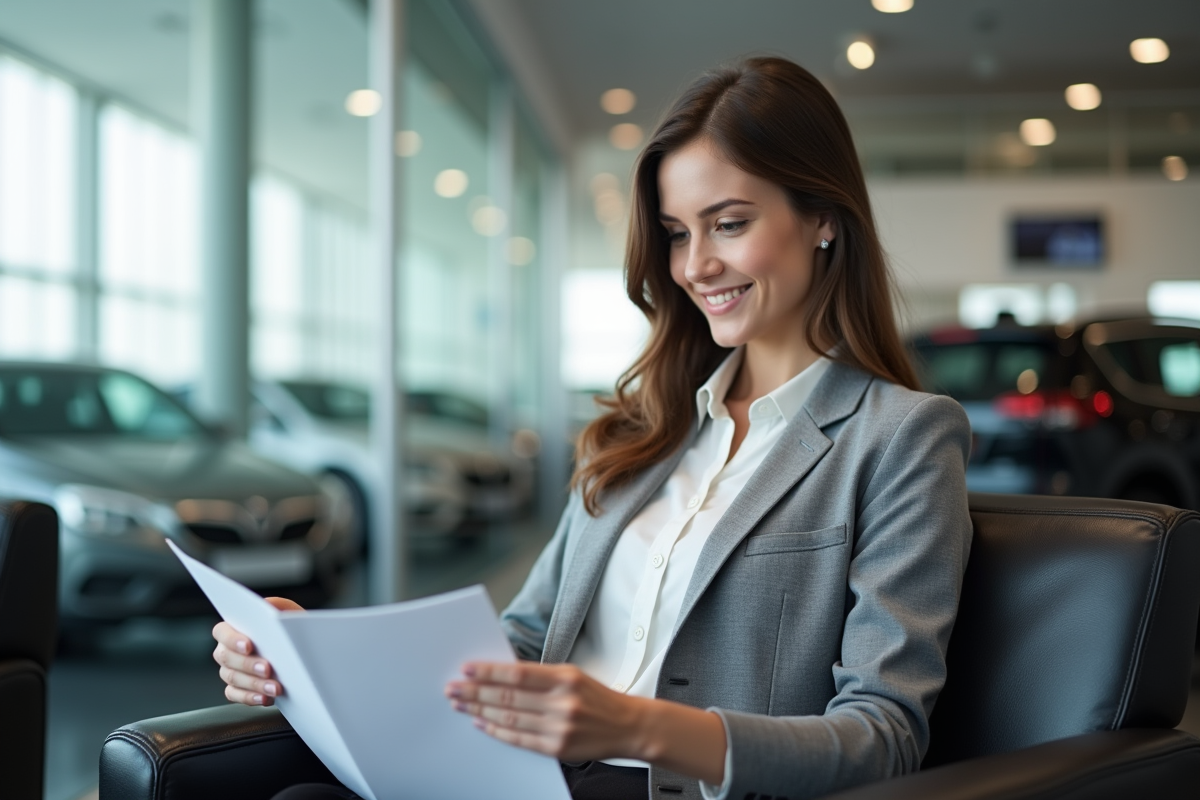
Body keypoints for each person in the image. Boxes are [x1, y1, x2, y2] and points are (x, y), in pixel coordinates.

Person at [212, 56, 971, 800]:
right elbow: (519, 646)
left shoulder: (901, 437)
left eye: (729, 224)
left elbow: (884, 737)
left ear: (824, 221)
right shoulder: (641, 431)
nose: (696, 265)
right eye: (676, 233)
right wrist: (316, 652)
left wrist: (637, 728)